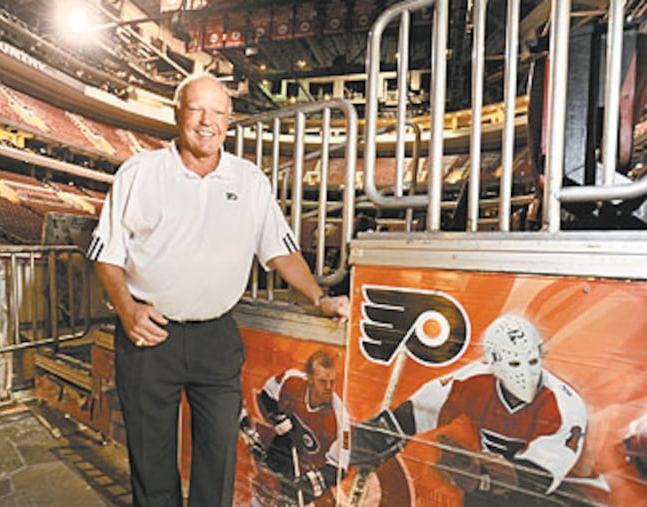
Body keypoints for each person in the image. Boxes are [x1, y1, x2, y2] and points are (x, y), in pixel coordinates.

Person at [88, 72, 350, 507]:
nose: (206, 121)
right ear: (178, 114)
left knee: (219, 457)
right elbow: (107, 256)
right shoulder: (139, 173)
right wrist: (127, 309)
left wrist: (319, 298)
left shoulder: (250, 181)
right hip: (149, 334)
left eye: (218, 112)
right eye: (196, 109)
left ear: (229, 120)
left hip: (216, 338)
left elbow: (280, 252)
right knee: (151, 462)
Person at [351, 313, 603, 506]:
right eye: (514, 362)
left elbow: (537, 479)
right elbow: (412, 415)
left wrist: (482, 474)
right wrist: (369, 440)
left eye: (533, 361)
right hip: (489, 485)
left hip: (552, 497)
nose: (526, 373)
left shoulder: (566, 404)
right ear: (493, 361)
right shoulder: (470, 381)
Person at [242, 349, 351, 506]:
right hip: (284, 454)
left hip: (309, 470)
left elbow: (339, 467)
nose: (328, 387)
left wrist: (315, 480)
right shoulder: (292, 379)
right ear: (310, 379)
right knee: (264, 491)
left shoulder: (339, 418)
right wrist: (279, 419)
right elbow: (267, 395)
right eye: (322, 381)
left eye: (331, 382)